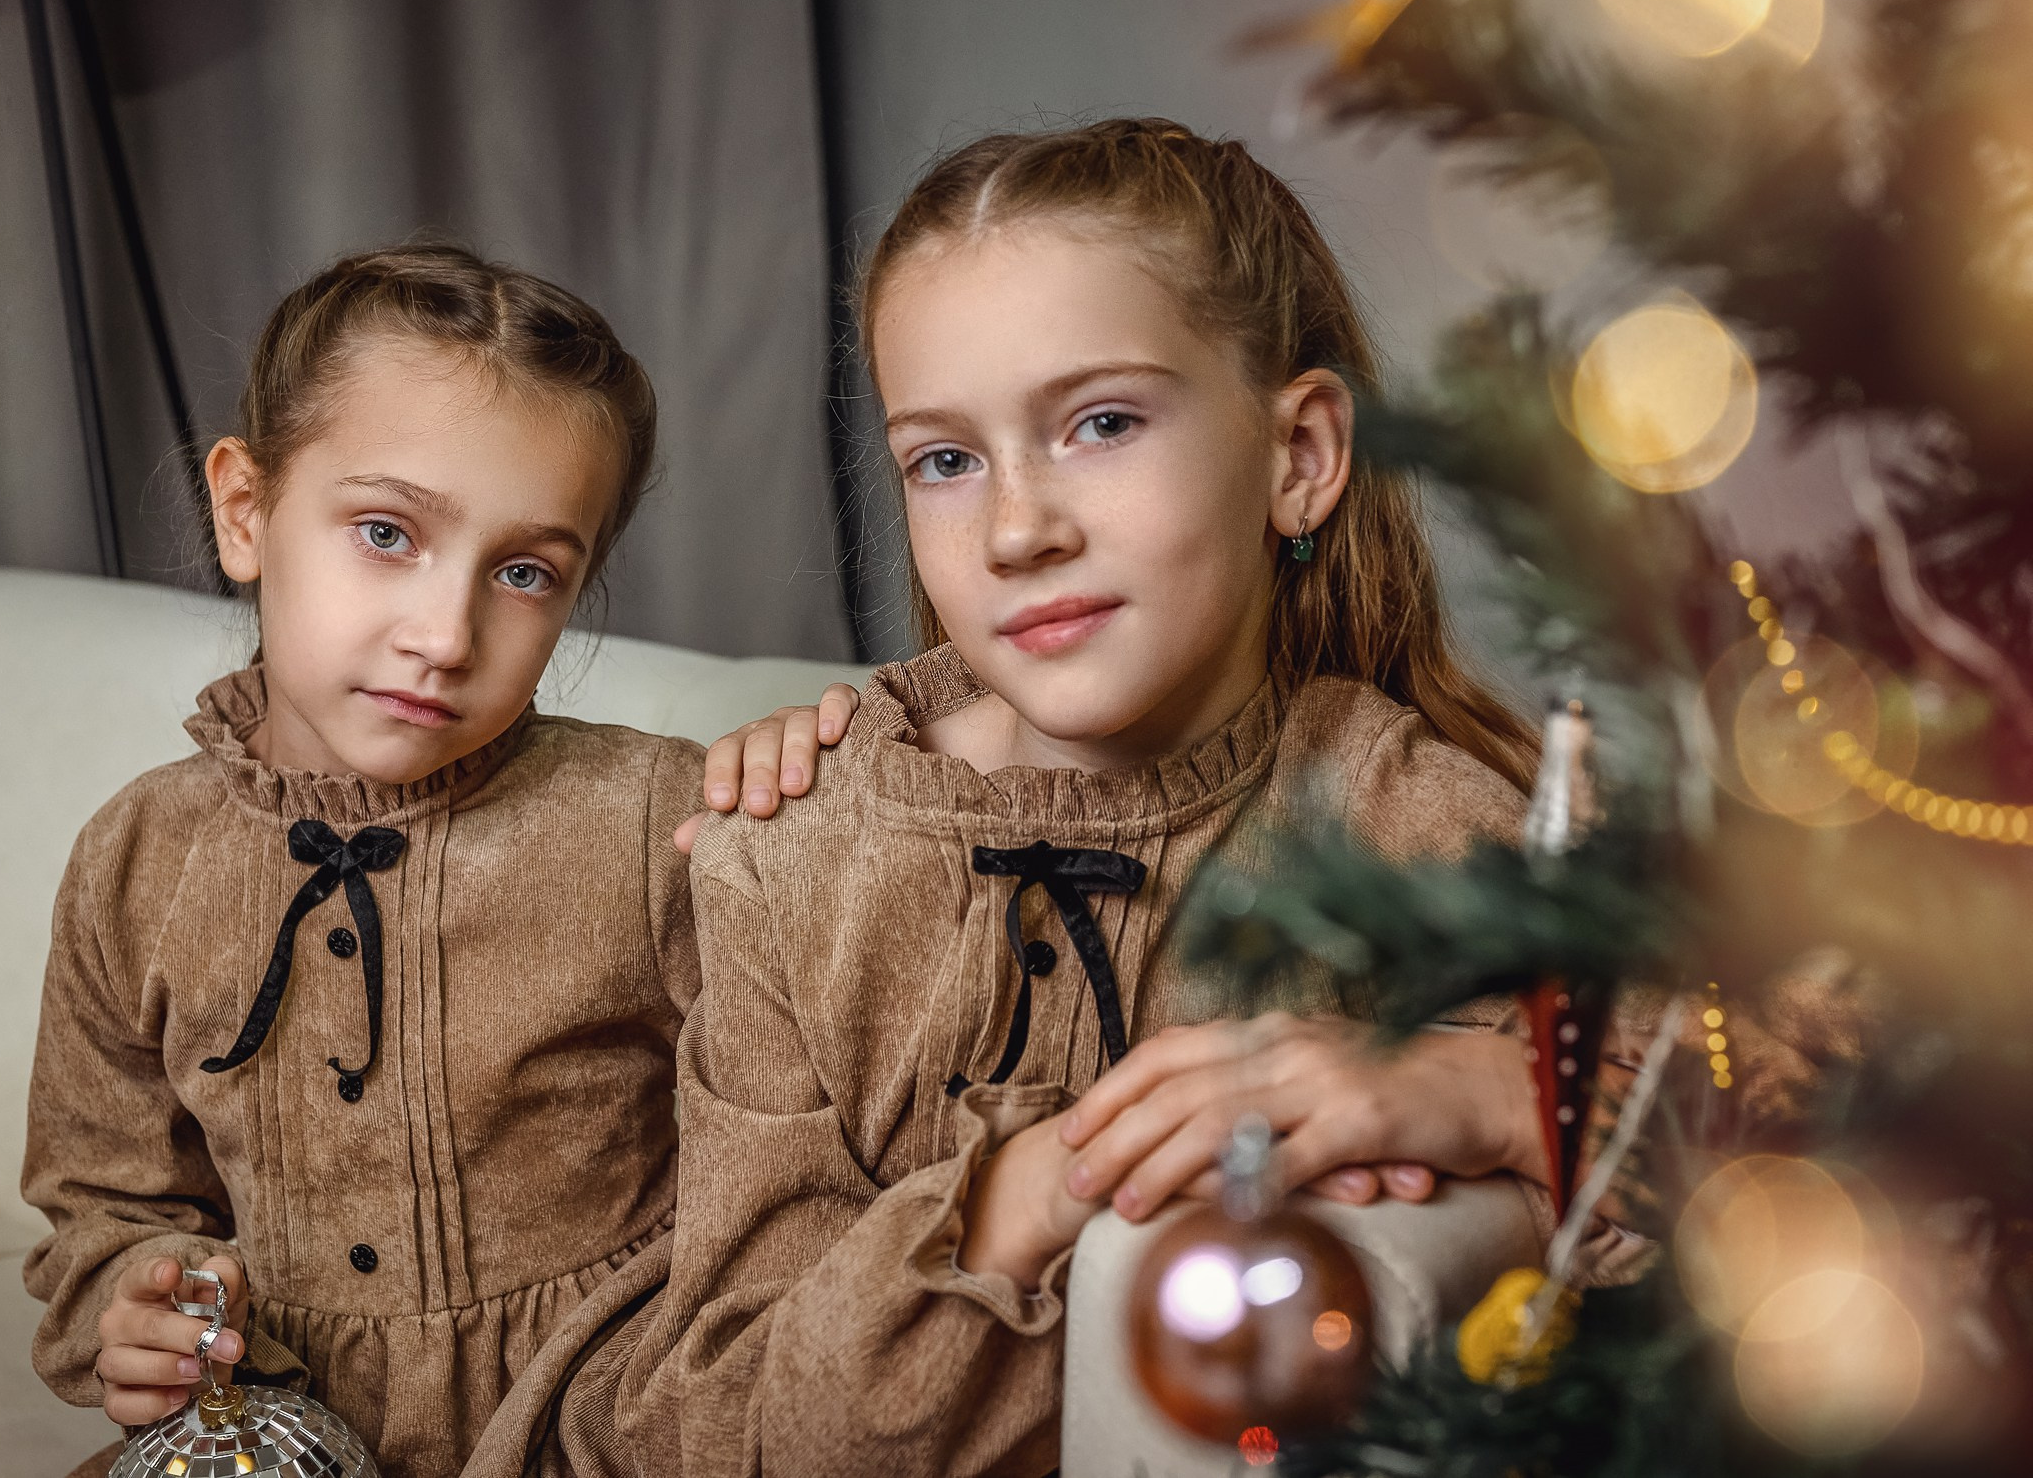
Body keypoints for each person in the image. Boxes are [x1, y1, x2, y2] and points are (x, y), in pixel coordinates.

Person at [466, 117, 1569, 1478]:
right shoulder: (794, 850)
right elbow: (734, 1416)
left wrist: (1491, 1089)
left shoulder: (1412, 817)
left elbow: (1800, 1151)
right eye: (945, 459)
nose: (1015, 529)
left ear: (1300, 455)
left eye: (1101, 423)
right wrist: (1031, 1194)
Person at [21, 241, 838, 1478]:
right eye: (388, 532)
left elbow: (835, 1119)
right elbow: (104, 1199)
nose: (446, 634)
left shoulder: (662, 817)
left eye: (523, 573)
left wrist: (836, 786)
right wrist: (132, 1298)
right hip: (270, 1437)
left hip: (599, 1430)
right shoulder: (136, 859)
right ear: (245, 511)